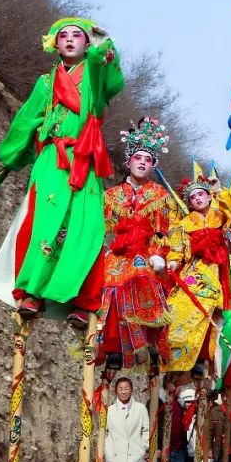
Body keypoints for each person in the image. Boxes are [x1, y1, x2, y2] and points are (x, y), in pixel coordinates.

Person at [0, 17, 123, 328]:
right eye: (62, 35)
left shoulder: (94, 76)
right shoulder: (45, 83)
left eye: (77, 35)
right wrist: (11, 157)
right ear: (54, 43)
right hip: (53, 158)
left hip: (85, 159)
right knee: (42, 224)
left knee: (86, 229)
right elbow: (26, 121)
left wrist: (106, 45)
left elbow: (111, 77)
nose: (69, 39)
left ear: (86, 43)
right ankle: (31, 292)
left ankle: (83, 301)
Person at [99, 118, 176, 371]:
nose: (142, 162)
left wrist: (157, 255)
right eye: (138, 157)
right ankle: (112, 348)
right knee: (108, 286)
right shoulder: (111, 195)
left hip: (145, 254)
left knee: (141, 278)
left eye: (148, 159)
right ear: (128, 161)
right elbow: (103, 226)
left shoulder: (160, 196)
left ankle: (145, 343)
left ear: (153, 165)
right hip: (118, 252)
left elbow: (161, 232)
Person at [162, 176, 231, 380]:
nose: (197, 199)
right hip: (192, 274)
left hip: (213, 275)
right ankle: (172, 357)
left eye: (201, 194)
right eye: (193, 197)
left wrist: (219, 190)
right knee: (175, 308)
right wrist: (173, 262)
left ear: (209, 196)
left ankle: (194, 362)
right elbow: (177, 250)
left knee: (202, 322)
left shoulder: (220, 215)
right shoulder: (184, 224)